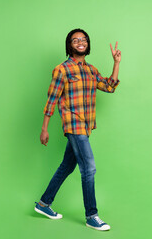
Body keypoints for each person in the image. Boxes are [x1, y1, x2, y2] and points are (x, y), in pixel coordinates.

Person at [34, 28, 121, 231]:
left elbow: (109, 86)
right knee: (88, 168)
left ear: (88, 44)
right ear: (69, 45)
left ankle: (43, 204)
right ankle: (92, 215)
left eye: (83, 39)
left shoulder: (91, 70)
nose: (80, 42)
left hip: (86, 124)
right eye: (75, 40)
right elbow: (52, 99)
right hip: (73, 124)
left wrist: (116, 63)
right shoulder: (62, 69)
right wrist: (44, 128)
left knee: (67, 166)